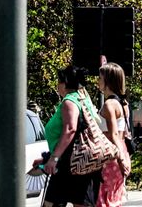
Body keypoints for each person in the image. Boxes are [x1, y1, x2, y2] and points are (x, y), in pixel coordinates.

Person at [37, 65, 102, 207]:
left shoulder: (69, 102)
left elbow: (70, 129)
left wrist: (54, 159)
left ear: (65, 83)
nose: (57, 86)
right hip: (81, 161)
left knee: (51, 204)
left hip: (68, 163)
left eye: (59, 82)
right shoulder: (83, 98)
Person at [97, 63, 130, 207]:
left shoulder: (109, 105)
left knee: (105, 200)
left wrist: (121, 159)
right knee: (114, 198)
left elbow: (114, 133)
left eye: (100, 78)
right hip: (121, 151)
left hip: (111, 155)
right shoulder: (123, 103)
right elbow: (124, 134)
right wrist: (124, 157)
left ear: (108, 81)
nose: (98, 81)